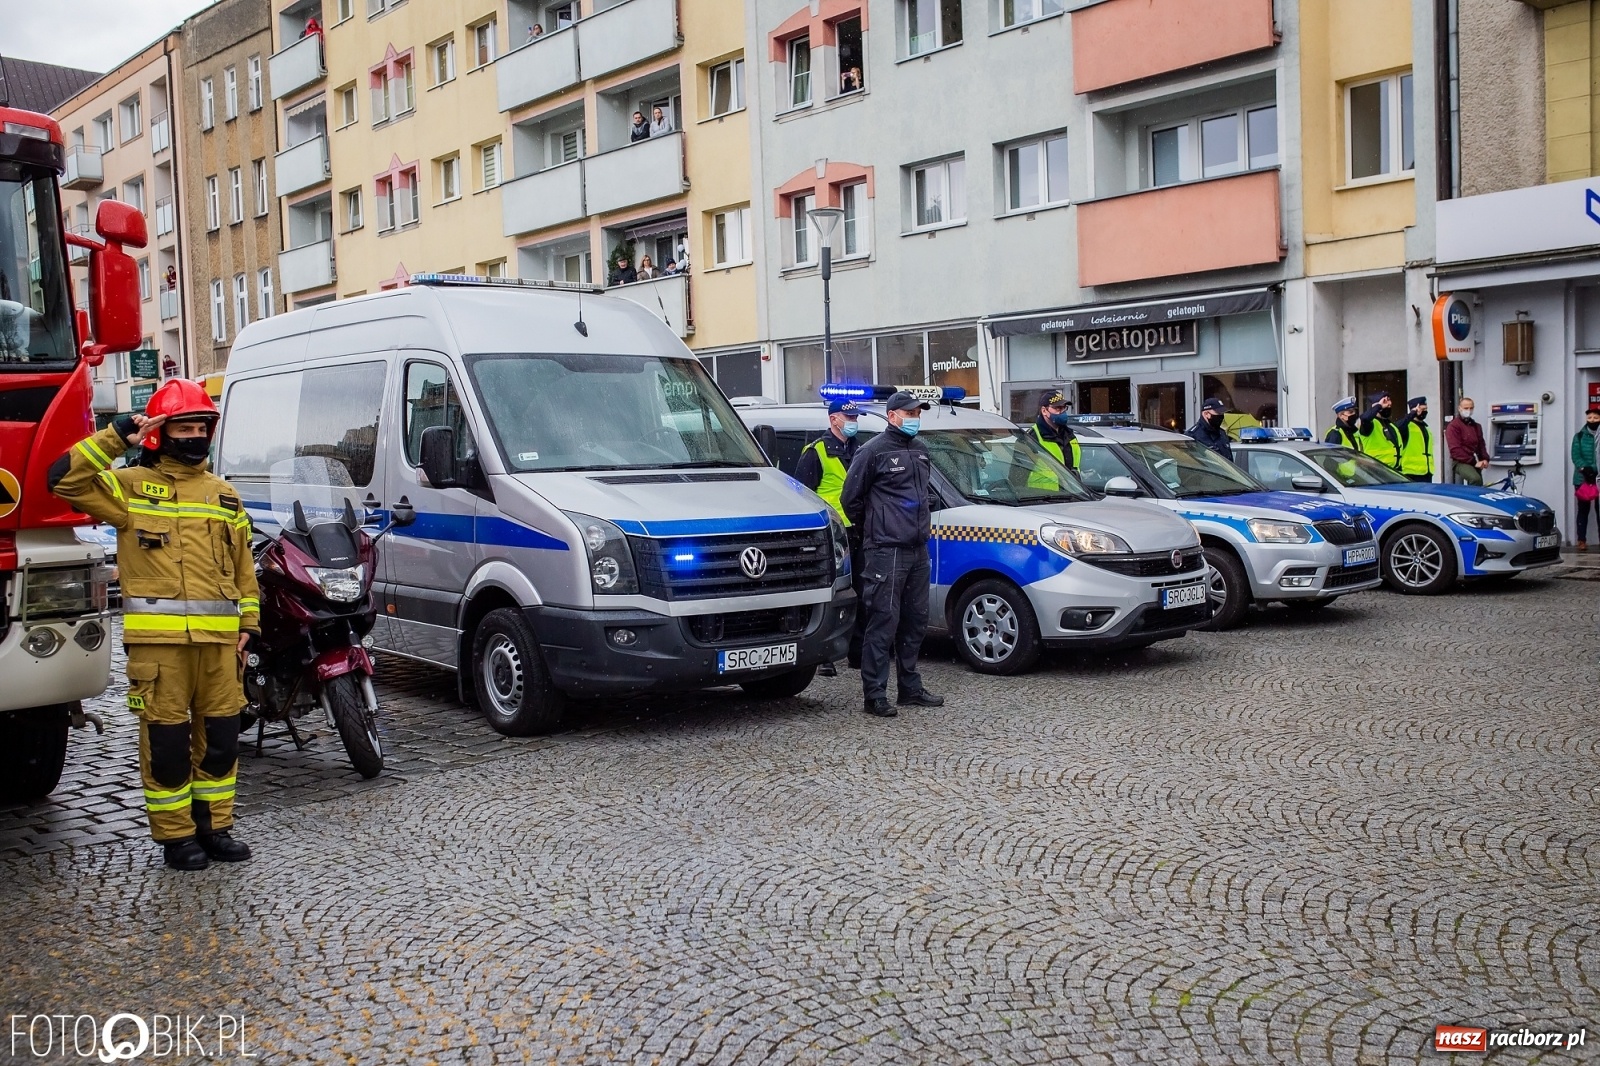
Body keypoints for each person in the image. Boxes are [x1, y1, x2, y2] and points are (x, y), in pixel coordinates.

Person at [47, 380, 259, 871]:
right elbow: (62, 479)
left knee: (223, 742)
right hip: (159, 651)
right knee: (166, 748)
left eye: (200, 427)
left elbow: (243, 569)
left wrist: (250, 625)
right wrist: (119, 433)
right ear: (160, 434)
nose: (193, 436)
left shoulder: (225, 496)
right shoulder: (129, 489)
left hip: (222, 647)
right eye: (182, 427)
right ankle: (177, 836)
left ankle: (215, 827)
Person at [840, 391, 943, 718]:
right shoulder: (873, 452)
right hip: (886, 550)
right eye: (910, 412)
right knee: (883, 621)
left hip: (917, 549)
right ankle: (875, 694)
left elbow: (924, 493)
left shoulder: (920, 450)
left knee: (915, 621)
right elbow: (850, 499)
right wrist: (875, 527)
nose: (915, 417)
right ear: (893, 415)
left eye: (918, 412)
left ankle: (910, 689)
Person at [797, 400, 864, 676]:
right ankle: (824, 655)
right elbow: (802, 495)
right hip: (830, 536)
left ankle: (857, 652)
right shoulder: (816, 453)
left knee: (861, 591)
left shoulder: (859, 449)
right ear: (834, 419)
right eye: (848, 417)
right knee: (831, 593)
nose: (853, 421)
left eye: (855, 416)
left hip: (858, 530)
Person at [1027, 391, 1080, 492]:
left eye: (1064, 408)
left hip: (1071, 496)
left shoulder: (1070, 436)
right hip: (1040, 499)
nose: (1062, 412)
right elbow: (1018, 476)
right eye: (1057, 408)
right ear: (1044, 411)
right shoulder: (1032, 438)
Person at [1572, 406, 1600, 551]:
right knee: (1583, 510)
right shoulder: (1579, 436)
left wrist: (1595, 471)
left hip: (1598, 478)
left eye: (1596, 418)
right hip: (1582, 479)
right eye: (1589, 418)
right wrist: (1585, 469)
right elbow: (1576, 456)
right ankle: (1581, 540)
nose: (1592, 420)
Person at [1446, 397, 1491, 485]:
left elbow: (1481, 445)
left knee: (1479, 483)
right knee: (1475, 479)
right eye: (1466, 408)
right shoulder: (1453, 426)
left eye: (1471, 408)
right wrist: (1474, 462)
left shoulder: (1476, 426)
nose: (1468, 410)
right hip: (1460, 461)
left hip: (1473, 460)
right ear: (1459, 408)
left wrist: (1485, 459)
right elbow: (1455, 450)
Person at [1358, 392, 1402, 470]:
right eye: (1385, 404)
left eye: (1389, 405)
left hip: (1393, 470)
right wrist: (1379, 406)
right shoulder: (1370, 424)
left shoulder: (1390, 425)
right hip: (1375, 470)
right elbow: (1364, 418)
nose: (1388, 406)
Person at [1396, 396, 1434, 482]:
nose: (1424, 411)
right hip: (1410, 472)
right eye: (1421, 409)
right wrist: (1411, 414)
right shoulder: (1406, 426)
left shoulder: (1426, 427)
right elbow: (1397, 427)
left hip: (1427, 472)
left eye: (1426, 409)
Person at [1187, 398, 1234, 462]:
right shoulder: (1192, 436)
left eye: (1222, 414)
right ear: (1206, 414)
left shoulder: (1222, 433)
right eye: (1218, 414)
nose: (1221, 417)